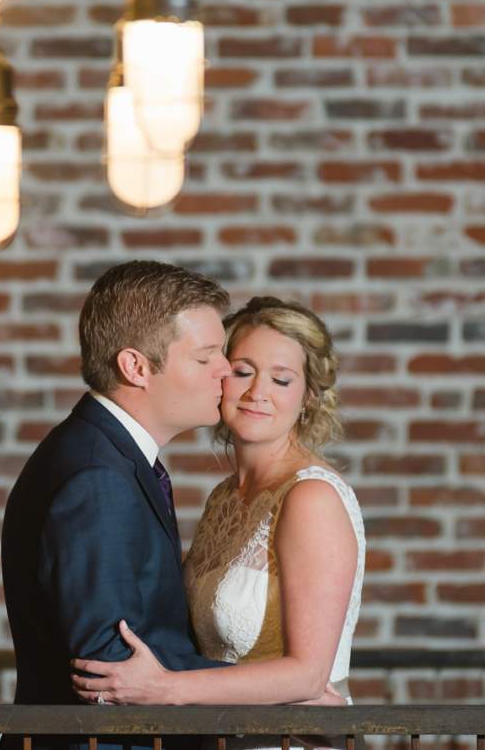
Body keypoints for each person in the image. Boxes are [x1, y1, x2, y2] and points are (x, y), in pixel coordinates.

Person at [72, 296, 366, 726]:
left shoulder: (311, 498)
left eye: (281, 380)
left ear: (308, 398)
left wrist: (165, 689)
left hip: (290, 739)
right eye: (243, 372)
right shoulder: (224, 498)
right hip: (221, 734)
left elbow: (308, 675)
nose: (256, 393)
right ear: (219, 378)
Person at [0, 260, 234, 750]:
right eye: (206, 357)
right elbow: (111, 666)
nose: (226, 371)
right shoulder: (97, 476)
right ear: (136, 367)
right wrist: (280, 695)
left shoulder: (105, 454)